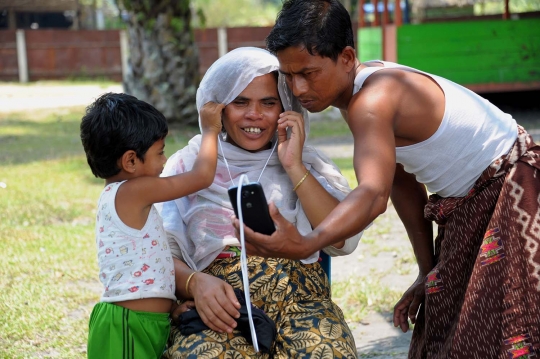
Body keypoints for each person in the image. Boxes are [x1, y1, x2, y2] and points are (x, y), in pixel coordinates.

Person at [235, 1, 540, 358]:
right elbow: (401, 184)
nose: (298, 88)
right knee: (446, 325)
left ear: (347, 58)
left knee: (503, 336)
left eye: (309, 72)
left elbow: (373, 194)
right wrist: (429, 271)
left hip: (514, 190)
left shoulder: (372, 101)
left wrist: (307, 244)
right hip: (472, 202)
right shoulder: (358, 98)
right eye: (288, 76)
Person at [158, 47, 363, 358]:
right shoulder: (189, 164)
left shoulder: (308, 162)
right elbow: (156, 252)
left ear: (286, 108)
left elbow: (342, 239)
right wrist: (194, 283)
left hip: (301, 301)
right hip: (223, 305)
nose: (254, 115)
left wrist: (293, 165)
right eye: (240, 102)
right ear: (218, 109)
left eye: (268, 103)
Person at [80, 92, 223, 359]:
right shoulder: (134, 191)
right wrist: (210, 131)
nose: (164, 161)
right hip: (127, 325)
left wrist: (168, 307)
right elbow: (201, 176)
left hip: (141, 321)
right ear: (131, 161)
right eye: (160, 153)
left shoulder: (122, 194)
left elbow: (137, 269)